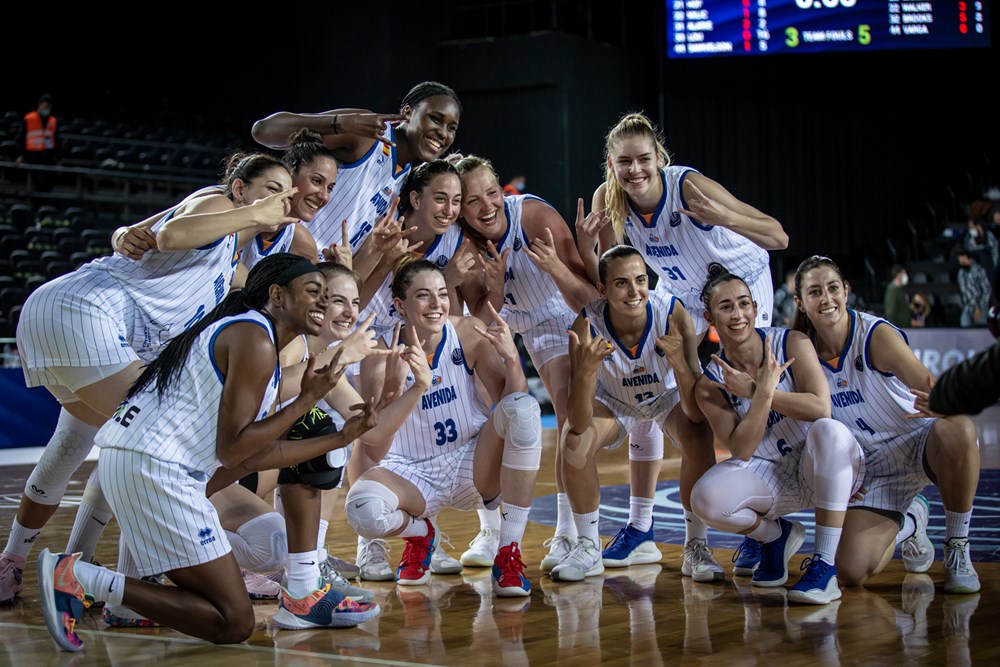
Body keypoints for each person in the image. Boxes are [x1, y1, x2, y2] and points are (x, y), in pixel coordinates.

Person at [35, 254, 381, 653]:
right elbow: (234, 449)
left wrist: (341, 438)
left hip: (149, 465)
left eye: (327, 294)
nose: (324, 302)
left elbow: (251, 456)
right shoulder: (254, 339)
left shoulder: (254, 339)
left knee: (232, 614)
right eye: (314, 292)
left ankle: (105, 587)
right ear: (278, 296)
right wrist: (305, 400)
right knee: (233, 620)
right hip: (154, 468)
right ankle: (77, 576)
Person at [0, 154, 298, 605]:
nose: (282, 199)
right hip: (87, 311)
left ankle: (17, 562)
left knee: (78, 446)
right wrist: (256, 213)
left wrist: (122, 233)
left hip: (78, 319)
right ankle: (101, 577)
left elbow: (142, 232)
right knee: (143, 443)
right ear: (239, 188)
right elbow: (172, 232)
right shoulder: (216, 205)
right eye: (271, 188)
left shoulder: (233, 265)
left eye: (285, 193)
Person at [578, 113, 787, 576]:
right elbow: (607, 276)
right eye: (624, 162)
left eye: (644, 160)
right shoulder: (607, 198)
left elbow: (778, 235)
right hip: (682, 291)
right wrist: (585, 246)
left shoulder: (689, 187)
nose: (635, 170)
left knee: (748, 395)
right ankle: (640, 526)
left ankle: (767, 521)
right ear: (611, 164)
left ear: (660, 158)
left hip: (741, 285)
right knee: (644, 382)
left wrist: (723, 217)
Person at [344, 261, 543, 597]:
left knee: (525, 409)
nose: (437, 304)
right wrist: (402, 388)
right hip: (411, 474)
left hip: (472, 463)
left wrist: (512, 361)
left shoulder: (467, 332)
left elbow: (513, 406)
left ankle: (509, 553)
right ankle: (420, 534)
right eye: (423, 296)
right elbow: (373, 443)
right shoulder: (380, 355)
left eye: (441, 294)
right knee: (361, 510)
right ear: (399, 306)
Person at [793, 255, 981, 594]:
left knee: (960, 429)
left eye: (833, 288)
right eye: (815, 292)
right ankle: (911, 521)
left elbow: (928, 384)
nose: (826, 298)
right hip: (874, 470)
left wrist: (943, 403)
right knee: (850, 571)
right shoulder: (800, 352)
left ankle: (957, 545)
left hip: (919, 443)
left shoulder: (874, 334)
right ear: (801, 302)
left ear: (846, 292)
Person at [448, 153, 599, 571]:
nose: (486, 206)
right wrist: (493, 291)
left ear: (503, 191)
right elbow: (474, 327)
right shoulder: (460, 244)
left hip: (554, 312)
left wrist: (555, 267)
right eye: (472, 201)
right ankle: (490, 529)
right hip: (502, 319)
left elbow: (586, 296)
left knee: (571, 412)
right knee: (482, 406)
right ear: (459, 208)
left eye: (491, 193)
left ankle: (567, 531)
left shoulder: (534, 217)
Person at [690, 264, 862, 605]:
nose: (738, 314)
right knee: (704, 499)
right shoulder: (709, 384)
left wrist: (757, 390)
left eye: (744, 304)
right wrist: (763, 394)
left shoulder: (791, 341)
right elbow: (741, 448)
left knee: (828, 431)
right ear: (710, 316)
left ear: (755, 308)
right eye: (726, 307)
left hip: (821, 465)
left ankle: (824, 566)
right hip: (770, 473)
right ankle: (775, 536)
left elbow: (819, 408)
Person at [549, 246, 703, 582]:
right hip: (615, 402)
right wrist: (587, 372)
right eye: (621, 283)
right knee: (573, 441)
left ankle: (696, 546)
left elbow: (694, 405)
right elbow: (577, 420)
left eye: (641, 280)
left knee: (698, 431)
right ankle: (589, 546)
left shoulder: (673, 314)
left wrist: (680, 367)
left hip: (665, 397)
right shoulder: (586, 325)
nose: (634, 292)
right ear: (603, 290)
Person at [251, 82, 462, 284]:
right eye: (435, 119)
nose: (443, 133)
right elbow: (264, 130)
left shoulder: (407, 179)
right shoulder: (369, 136)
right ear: (408, 112)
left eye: (451, 128)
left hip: (314, 281)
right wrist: (338, 122)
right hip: (272, 252)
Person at [15, 93, 59, 190]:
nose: (47, 109)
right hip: (32, 155)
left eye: (49, 107)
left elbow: (56, 139)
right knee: (36, 182)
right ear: (40, 104)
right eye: (46, 106)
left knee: (48, 183)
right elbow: (21, 137)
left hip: (48, 156)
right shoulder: (29, 118)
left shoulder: (53, 121)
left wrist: (58, 158)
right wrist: (20, 155)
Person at [957, 249, 990, 327]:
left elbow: (987, 290)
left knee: (981, 328)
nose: (962, 263)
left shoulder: (979, 270)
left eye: (964, 261)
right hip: (968, 307)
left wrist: (979, 307)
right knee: (964, 322)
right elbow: (964, 292)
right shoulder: (961, 273)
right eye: (960, 261)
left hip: (981, 306)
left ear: (970, 259)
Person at [883, 264, 910, 328]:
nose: (906, 275)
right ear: (898, 275)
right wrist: (894, 328)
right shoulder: (892, 290)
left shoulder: (900, 290)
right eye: (904, 273)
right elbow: (890, 312)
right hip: (898, 328)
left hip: (905, 327)